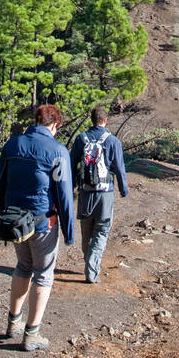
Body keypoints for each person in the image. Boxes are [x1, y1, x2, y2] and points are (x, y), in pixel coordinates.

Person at [0, 103, 74, 352]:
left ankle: (13, 322)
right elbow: (64, 194)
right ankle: (32, 333)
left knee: (23, 266)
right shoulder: (58, 150)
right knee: (43, 273)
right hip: (43, 223)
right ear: (55, 124)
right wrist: (69, 230)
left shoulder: (12, 145)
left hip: (15, 223)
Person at [70, 106, 129, 284]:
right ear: (105, 120)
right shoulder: (113, 141)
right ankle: (92, 270)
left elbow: (72, 165)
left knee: (86, 231)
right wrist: (123, 189)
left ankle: (89, 262)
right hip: (105, 194)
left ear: (91, 120)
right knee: (101, 232)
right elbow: (119, 167)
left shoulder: (81, 139)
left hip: (85, 193)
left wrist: (70, 187)